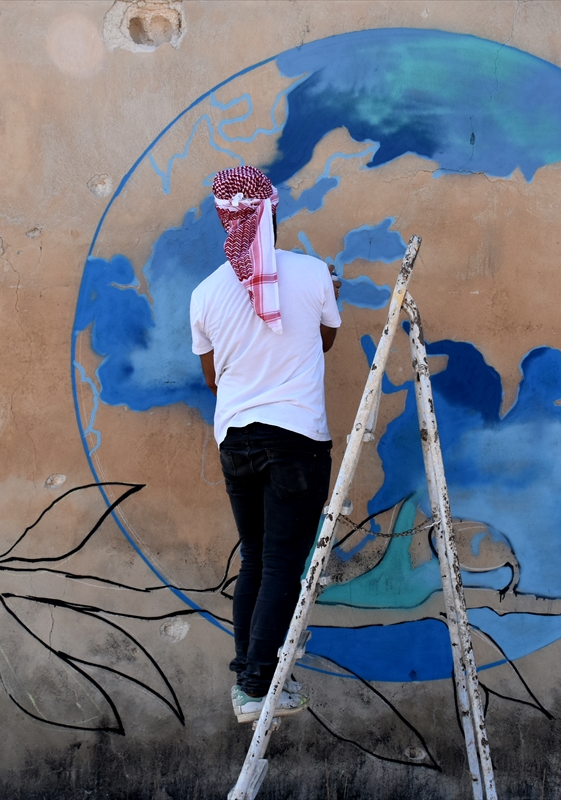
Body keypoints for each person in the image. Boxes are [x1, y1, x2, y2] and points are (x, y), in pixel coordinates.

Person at [190, 165, 341, 723]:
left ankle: (247, 681)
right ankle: (257, 685)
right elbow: (324, 342)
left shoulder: (205, 293)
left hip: (236, 439)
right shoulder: (311, 273)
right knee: (281, 562)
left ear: (224, 221)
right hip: (295, 439)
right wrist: (327, 295)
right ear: (272, 211)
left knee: (255, 557)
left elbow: (213, 379)